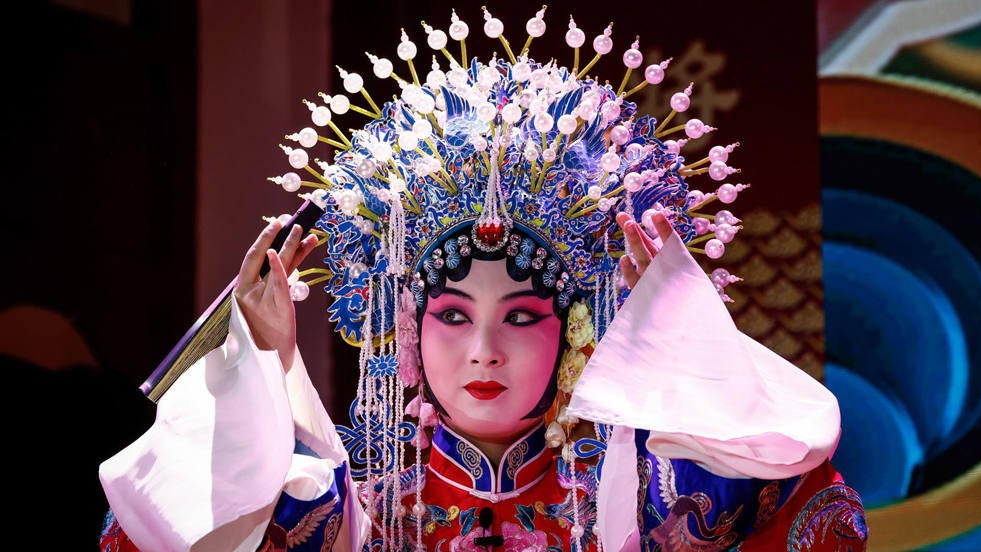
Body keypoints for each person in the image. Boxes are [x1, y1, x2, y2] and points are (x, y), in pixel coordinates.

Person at [99, 8, 868, 551]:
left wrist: (673, 338)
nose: (484, 351)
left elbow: (810, 510)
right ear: (409, 329)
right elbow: (159, 529)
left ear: (574, 332)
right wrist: (254, 366)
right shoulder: (347, 522)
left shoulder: (635, 514)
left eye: (525, 316)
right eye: (455, 316)